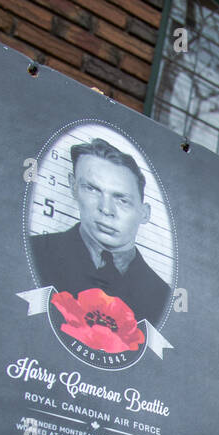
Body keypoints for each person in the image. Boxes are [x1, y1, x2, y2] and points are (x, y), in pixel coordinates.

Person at [29, 138, 170, 330]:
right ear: (73, 187)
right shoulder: (34, 253)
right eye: (93, 189)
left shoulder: (162, 297)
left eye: (122, 200)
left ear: (144, 213)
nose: (106, 209)